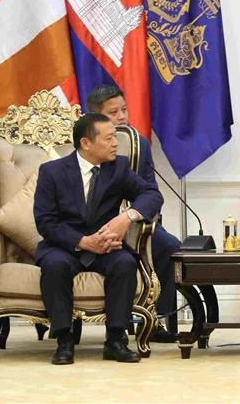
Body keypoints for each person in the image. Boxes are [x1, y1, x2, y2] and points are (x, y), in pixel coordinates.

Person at [34, 113, 163, 365]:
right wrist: (83, 241)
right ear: (86, 143)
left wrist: (127, 218)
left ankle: (116, 339)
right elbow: (46, 222)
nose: (116, 143)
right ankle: (63, 340)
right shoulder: (52, 172)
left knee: (124, 263)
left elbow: (151, 194)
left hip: (107, 245)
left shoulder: (118, 168)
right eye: (109, 138)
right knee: (55, 266)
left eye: (115, 136)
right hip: (65, 245)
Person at [86, 85, 180, 343]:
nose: (122, 117)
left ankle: (157, 318)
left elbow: (151, 194)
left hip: (133, 221)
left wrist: (131, 218)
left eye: (124, 110)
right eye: (113, 112)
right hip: (91, 223)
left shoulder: (140, 144)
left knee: (169, 246)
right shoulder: (84, 143)